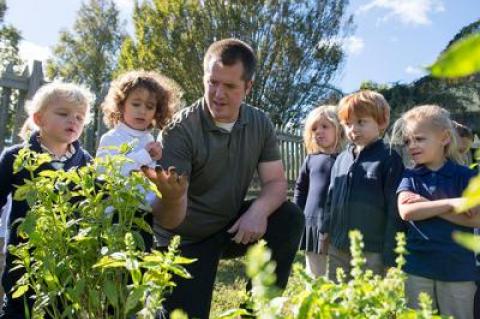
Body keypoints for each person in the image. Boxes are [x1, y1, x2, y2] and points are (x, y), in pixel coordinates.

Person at [153, 38, 304, 318]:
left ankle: (257, 311)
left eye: (230, 86)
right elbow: (168, 220)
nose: (218, 94)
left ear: (248, 87)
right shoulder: (179, 132)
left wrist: (257, 211)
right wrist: (172, 197)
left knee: (289, 217)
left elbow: (276, 183)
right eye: (212, 82)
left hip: (228, 226)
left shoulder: (260, 123)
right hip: (183, 239)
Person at [0, 82, 94, 318]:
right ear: (39, 118)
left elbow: (92, 208)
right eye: (63, 114)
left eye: (79, 117)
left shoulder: (86, 162)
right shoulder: (16, 157)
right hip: (25, 261)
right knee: (19, 309)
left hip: (68, 264)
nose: (73, 121)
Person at [394, 104, 480, 319]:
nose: (412, 145)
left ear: (444, 138)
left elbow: (475, 220)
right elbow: (407, 211)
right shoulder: (410, 176)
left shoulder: (465, 177)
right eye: (407, 141)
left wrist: (426, 204)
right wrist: (454, 203)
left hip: (458, 269)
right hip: (417, 266)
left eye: (419, 139)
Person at [321, 90, 404, 281]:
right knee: (336, 294)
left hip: (371, 249)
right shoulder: (341, 159)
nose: (353, 129)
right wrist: (326, 229)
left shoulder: (389, 158)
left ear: (381, 123)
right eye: (348, 124)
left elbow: (394, 208)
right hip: (338, 245)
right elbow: (331, 197)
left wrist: (390, 251)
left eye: (361, 122)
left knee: (366, 300)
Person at [96, 70, 182, 249]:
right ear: (121, 105)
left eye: (150, 107)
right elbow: (106, 174)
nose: (142, 111)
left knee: (139, 267)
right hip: (115, 215)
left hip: (143, 216)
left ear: (157, 112)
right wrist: (145, 156)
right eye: (136, 104)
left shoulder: (149, 139)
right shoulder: (111, 138)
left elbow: (148, 182)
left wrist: (157, 170)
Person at [293, 105, 344, 277]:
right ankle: (314, 301)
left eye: (325, 126)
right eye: (314, 128)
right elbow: (300, 189)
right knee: (314, 272)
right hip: (312, 222)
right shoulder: (310, 160)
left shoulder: (346, 160)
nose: (318, 132)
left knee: (338, 272)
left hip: (338, 223)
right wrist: (296, 215)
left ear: (338, 128)